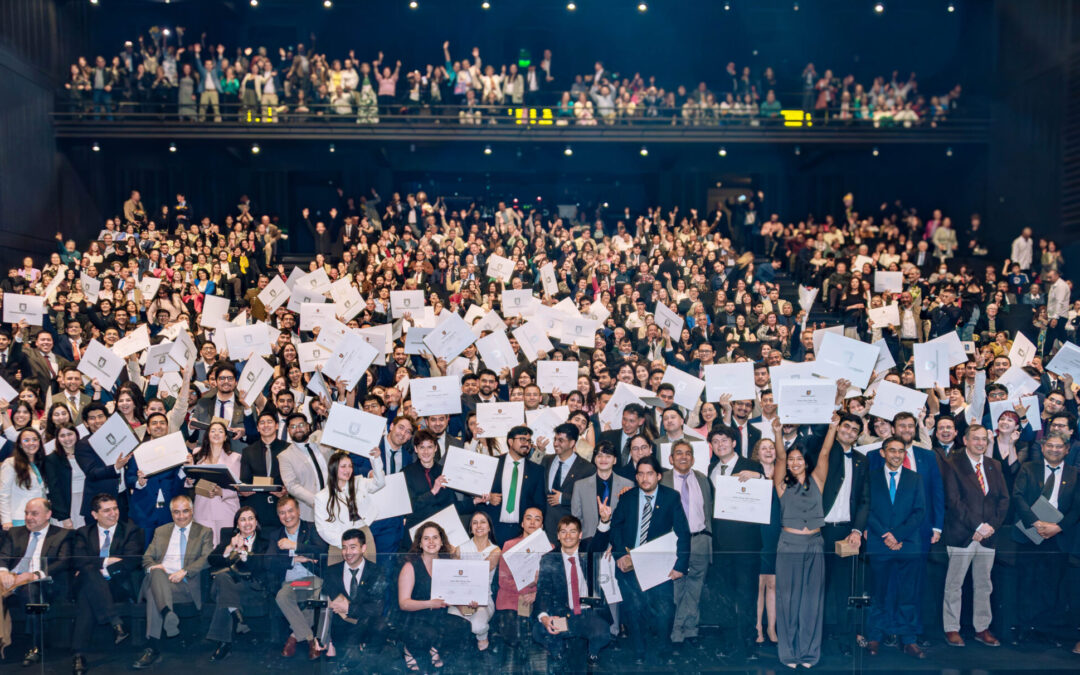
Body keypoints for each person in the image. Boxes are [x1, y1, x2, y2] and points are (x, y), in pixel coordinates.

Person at [597, 454, 689, 666]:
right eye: (640, 474)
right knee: (633, 609)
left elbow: (683, 533)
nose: (645, 478)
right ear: (636, 477)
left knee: (664, 610)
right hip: (629, 564)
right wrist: (620, 555)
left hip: (659, 566)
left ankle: (664, 650)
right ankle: (639, 651)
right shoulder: (627, 497)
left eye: (649, 474)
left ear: (658, 476)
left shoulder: (671, 497)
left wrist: (680, 565)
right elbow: (616, 527)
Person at [771, 413, 832, 668]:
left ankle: (808, 653)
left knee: (812, 601)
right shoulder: (781, 485)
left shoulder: (817, 480)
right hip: (789, 545)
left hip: (815, 544)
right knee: (788, 601)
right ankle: (788, 653)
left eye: (799, 459)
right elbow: (780, 457)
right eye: (791, 459)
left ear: (806, 462)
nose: (794, 462)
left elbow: (825, 452)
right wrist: (777, 433)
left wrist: (833, 426)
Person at [941, 424, 1009, 648]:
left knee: (984, 584)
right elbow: (954, 501)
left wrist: (991, 527)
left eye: (983, 439)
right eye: (976, 439)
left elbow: (1004, 499)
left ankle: (982, 628)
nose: (980, 443)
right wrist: (978, 526)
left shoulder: (994, 465)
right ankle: (952, 628)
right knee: (954, 585)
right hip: (962, 535)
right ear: (965, 440)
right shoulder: (952, 464)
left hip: (989, 536)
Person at [1011, 430, 1080, 646]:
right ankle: (1024, 628)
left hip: (1058, 537)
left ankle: (1046, 630)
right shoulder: (1028, 468)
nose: (1054, 450)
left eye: (1059, 446)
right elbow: (1018, 496)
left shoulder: (1075, 473)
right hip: (1030, 533)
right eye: (1050, 445)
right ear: (1042, 448)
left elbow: (1077, 507)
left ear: (1067, 450)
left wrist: (1058, 527)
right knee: (1026, 582)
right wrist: (1036, 522)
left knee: (1052, 586)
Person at [132, 495, 214, 669]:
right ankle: (167, 613)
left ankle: (153, 647)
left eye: (185, 511)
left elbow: (207, 558)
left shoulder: (204, 532)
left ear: (192, 511)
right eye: (176, 512)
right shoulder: (161, 531)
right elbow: (147, 558)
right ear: (171, 513)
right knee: (156, 574)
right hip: (161, 578)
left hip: (184, 584)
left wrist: (185, 571)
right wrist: (156, 568)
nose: (181, 516)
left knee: (153, 592)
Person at [812, 411, 869, 655]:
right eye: (845, 426)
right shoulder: (823, 451)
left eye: (854, 430)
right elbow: (817, 436)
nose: (849, 432)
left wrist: (857, 529)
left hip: (847, 533)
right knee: (819, 586)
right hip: (820, 530)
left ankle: (846, 639)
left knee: (845, 588)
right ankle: (819, 639)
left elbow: (865, 499)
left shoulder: (862, 460)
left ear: (858, 436)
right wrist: (832, 418)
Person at [864, 436, 927, 658]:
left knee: (907, 595)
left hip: (907, 544)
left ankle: (908, 640)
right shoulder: (870, 478)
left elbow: (919, 511)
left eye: (901, 451)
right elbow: (865, 508)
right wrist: (886, 534)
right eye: (892, 450)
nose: (897, 455)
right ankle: (875, 636)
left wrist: (898, 535)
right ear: (883, 453)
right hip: (879, 543)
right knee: (878, 593)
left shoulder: (915, 478)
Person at [707, 424, 765, 659]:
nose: (720, 445)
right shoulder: (711, 468)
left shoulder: (751, 466)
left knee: (747, 596)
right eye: (715, 441)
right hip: (720, 545)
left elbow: (767, 491)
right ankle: (729, 642)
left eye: (724, 440)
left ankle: (748, 645)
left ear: (733, 443)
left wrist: (760, 476)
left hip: (746, 545)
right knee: (725, 596)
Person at [71, 494, 142, 675]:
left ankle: (79, 655)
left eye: (115, 508)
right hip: (92, 583)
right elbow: (78, 560)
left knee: (88, 580)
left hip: (117, 584)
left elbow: (131, 561)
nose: (113, 513)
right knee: (89, 577)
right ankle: (116, 622)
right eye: (107, 510)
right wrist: (106, 561)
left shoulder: (131, 531)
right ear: (95, 514)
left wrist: (96, 566)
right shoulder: (83, 533)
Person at [532, 515, 613, 671]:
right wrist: (545, 617)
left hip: (587, 614)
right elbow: (543, 591)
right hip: (564, 615)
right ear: (558, 536)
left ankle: (592, 654)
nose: (568, 536)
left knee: (602, 633)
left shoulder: (588, 549)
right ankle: (558, 653)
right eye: (563, 532)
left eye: (573, 531)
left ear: (580, 535)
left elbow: (600, 541)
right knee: (539, 631)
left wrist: (604, 521)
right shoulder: (549, 559)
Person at [0, 498, 73, 668]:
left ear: (48, 515)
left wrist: (34, 575)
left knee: (32, 590)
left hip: (41, 581)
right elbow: (3, 556)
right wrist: (3, 572)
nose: (28, 517)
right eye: (26, 513)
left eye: (34, 513)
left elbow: (64, 562)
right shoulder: (15, 533)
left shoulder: (62, 534)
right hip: (11, 578)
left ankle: (35, 647)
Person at [661, 438, 713, 648]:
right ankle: (677, 631)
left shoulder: (702, 479)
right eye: (679, 453)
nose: (683, 457)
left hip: (700, 540)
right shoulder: (662, 480)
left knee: (695, 589)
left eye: (688, 453)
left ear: (692, 458)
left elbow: (708, 510)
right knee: (676, 589)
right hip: (673, 543)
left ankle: (690, 631)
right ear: (671, 458)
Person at [397, 522, 470, 672]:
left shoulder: (448, 564)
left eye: (435, 537)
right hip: (415, 618)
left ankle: (434, 648)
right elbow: (403, 603)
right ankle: (409, 650)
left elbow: (453, 595)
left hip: (437, 616)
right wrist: (430, 603)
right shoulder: (410, 566)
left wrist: (468, 604)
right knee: (429, 634)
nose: (431, 542)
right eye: (426, 538)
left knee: (463, 626)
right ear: (420, 543)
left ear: (441, 542)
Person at [267, 495, 329, 661]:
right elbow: (269, 561)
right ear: (278, 516)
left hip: (314, 579)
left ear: (299, 511)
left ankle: (294, 636)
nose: (287, 516)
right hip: (291, 582)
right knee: (282, 597)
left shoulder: (312, 528)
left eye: (290, 511)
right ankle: (310, 638)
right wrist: (295, 559)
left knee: (318, 598)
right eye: (282, 513)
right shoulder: (276, 535)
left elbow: (322, 550)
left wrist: (295, 546)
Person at [204, 506, 270, 661]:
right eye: (243, 520)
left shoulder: (264, 542)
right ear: (237, 525)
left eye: (251, 518)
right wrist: (229, 548)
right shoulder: (229, 538)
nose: (247, 523)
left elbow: (261, 567)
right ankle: (239, 618)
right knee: (222, 578)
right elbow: (211, 560)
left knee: (223, 589)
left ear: (256, 522)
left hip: (251, 587)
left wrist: (244, 553)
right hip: (228, 583)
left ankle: (224, 642)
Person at [318, 528, 387, 665]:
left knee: (381, 627)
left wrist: (349, 608)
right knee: (350, 662)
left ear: (363, 548)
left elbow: (377, 608)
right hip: (341, 628)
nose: (348, 552)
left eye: (353, 547)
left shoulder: (377, 572)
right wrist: (321, 636)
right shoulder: (331, 572)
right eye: (344, 548)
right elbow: (324, 605)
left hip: (367, 626)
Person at [313, 449, 385, 560]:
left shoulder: (359, 482)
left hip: (363, 534)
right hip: (338, 541)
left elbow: (379, 483)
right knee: (338, 571)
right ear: (333, 468)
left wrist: (376, 459)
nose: (348, 470)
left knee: (369, 569)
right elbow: (323, 529)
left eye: (350, 466)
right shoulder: (322, 496)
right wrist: (345, 544)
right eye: (343, 466)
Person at [495, 507, 545, 664]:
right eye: (528, 518)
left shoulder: (549, 548)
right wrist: (528, 588)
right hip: (511, 597)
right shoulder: (509, 546)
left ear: (542, 525)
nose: (532, 522)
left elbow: (552, 581)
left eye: (537, 519)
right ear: (522, 523)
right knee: (514, 633)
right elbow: (503, 580)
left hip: (538, 599)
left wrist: (536, 593)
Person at [485, 425, 546, 543]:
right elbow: (477, 492)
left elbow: (539, 504)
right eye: (522, 439)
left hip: (522, 532)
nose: (526, 444)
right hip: (493, 528)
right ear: (510, 441)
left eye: (529, 441)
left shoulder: (536, 471)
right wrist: (488, 498)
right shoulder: (492, 463)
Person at [449, 510, 500, 651]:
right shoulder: (461, 548)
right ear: (471, 528)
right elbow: (453, 576)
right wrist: (452, 555)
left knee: (478, 626)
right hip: (460, 598)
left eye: (483, 522)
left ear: (489, 527)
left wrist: (457, 557)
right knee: (453, 622)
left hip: (483, 599)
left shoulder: (495, 550)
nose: (479, 526)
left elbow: (480, 572)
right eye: (475, 523)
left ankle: (482, 637)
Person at [190, 420, 242, 545]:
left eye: (220, 431)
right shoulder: (197, 455)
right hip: (202, 508)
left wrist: (221, 492)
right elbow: (191, 481)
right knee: (204, 546)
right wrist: (189, 480)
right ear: (207, 435)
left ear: (225, 437)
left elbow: (238, 487)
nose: (216, 434)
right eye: (213, 431)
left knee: (225, 546)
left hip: (226, 508)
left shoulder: (235, 457)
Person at [542, 423, 595, 541]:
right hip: (545, 529)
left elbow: (588, 501)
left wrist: (563, 498)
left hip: (569, 532)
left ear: (572, 443)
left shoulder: (587, 469)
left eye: (561, 440)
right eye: (555, 439)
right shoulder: (546, 460)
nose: (555, 443)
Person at [571, 441, 633, 541]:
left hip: (616, 543)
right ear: (594, 459)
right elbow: (576, 518)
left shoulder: (628, 485)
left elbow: (629, 519)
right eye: (599, 456)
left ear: (615, 460)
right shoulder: (580, 486)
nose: (603, 459)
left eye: (608, 456)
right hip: (588, 541)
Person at [238, 410, 289, 527]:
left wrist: (287, 491)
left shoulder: (288, 449)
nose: (266, 425)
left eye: (269, 422)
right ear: (257, 428)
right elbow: (244, 480)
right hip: (256, 505)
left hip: (281, 505)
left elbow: (293, 479)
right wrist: (242, 490)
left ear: (276, 426)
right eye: (262, 423)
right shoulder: (248, 451)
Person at [277, 413, 330, 522]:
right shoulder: (285, 456)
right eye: (293, 427)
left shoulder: (323, 444)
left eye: (301, 425)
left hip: (334, 504)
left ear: (308, 426)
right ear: (288, 430)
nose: (298, 429)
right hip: (309, 510)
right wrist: (317, 501)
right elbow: (291, 485)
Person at [0, 428, 47, 528]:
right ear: (20, 444)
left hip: (40, 519)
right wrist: (6, 521)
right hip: (19, 518)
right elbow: (3, 494)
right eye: (26, 440)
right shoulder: (10, 463)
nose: (31, 443)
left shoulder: (40, 463)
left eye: (35, 439)